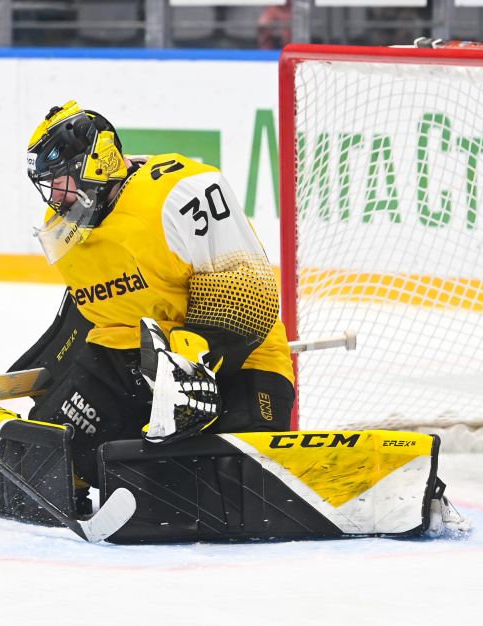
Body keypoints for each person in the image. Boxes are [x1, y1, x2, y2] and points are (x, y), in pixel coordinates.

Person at [19, 100, 295, 492]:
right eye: (49, 186)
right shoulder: (64, 226)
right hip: (130, 359)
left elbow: (249, 297)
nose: (56, 197)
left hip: (237, 358)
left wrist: (189, 364)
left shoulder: (181, 193)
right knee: (41, 468)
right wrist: (56, 366)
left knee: (234, 486)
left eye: (61, 181)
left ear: (96, 164)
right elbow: (94, 308)